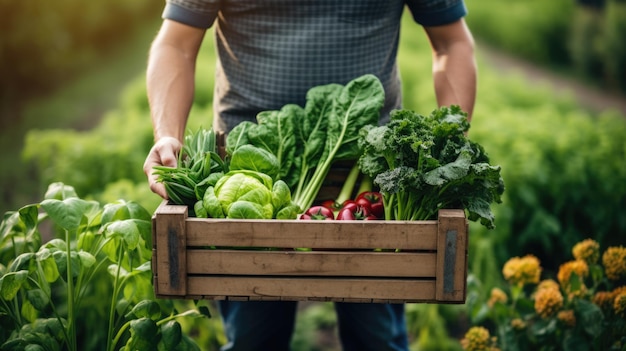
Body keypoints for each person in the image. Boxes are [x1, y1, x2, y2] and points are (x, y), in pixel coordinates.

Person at [143, 1, 476, 350]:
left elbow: (451, 41)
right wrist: (167, 135)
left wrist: (448, 144)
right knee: (254, 339)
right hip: (248, 176)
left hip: (371, 175)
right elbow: (176, 43)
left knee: (375, 338)